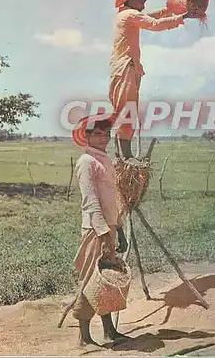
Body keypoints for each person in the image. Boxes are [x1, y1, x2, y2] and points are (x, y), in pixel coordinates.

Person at [109, 0, 195, 159]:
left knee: (126, 110)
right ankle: (125, 155)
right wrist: (182, 17)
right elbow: (154, 24)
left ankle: (122, 154)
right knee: (126, 110)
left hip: (126, 68)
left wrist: (169, 11)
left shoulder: (126, 14)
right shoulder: (130, 14)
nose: (144, 2)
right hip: (125, 68)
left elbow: (151, 18)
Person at [72, 116, 129, 347]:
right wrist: (104, 234)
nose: (102, 138)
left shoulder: (105, 160)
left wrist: (119, 229)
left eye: (106, 134)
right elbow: (91, 201)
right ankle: (83, 338)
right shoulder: (86, 162)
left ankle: (109, 332)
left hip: (110, 227)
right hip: (95, 230)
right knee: (90, 280)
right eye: (97, 134)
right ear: (87, 136)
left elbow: (111, 200)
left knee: (106, 280)